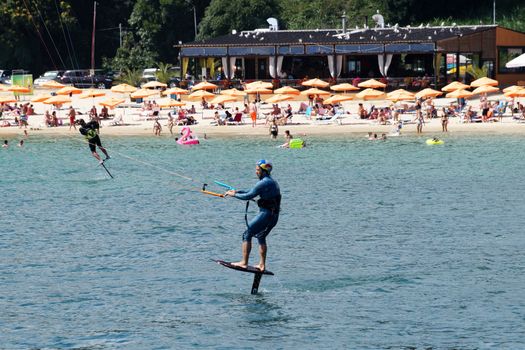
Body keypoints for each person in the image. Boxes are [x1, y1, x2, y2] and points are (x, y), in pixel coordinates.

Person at [225, 160, 281, 271]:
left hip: (266, 215)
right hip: (274, 216)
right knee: (261, 236)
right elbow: (250, 191)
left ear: (264, 171)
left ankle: (244, 262)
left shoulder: (263, 182)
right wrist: (237, 191)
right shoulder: (271, 182)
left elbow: (248, 196)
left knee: (247, 234)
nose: (256, 172)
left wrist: (234, 195)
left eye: (258, 170)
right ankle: (262, 265)